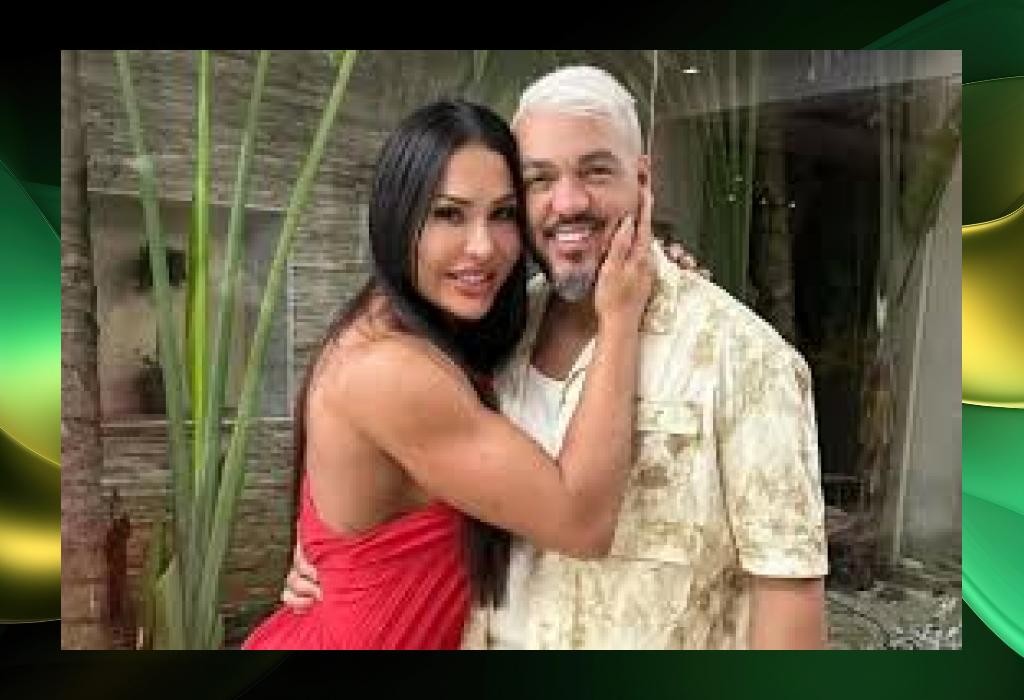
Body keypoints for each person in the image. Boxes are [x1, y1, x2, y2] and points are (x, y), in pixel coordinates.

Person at [284, 66, 829, 650]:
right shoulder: (484, 337)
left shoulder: (741, 356)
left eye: (595, 171)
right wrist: (332, 555)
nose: (567, 202)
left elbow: (788, 595)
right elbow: (564, 517)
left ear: (643, 180)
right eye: (539, 180)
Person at [242, 98, 653, 650]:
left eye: (503, 214)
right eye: (448, 214)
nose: (482, 248)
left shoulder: (428, 332)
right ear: (397, 217)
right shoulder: (390, 370)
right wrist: (621, 317)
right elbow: (582, 522)